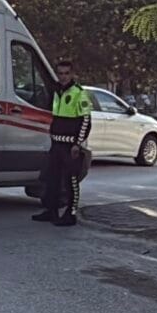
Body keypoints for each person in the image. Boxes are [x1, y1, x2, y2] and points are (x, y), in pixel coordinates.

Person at [31, 58, 93, 227]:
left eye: (66, 73)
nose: (63, 77)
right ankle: (51, 211)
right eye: (60, 73)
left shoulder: (79, 93)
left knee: (70, 180)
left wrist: (77, 143)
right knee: (52, 179)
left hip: (70, 146)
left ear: (72, 74)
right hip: (56, 143)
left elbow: (86, 121)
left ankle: (70, 214)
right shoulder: (57, 91)